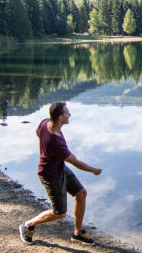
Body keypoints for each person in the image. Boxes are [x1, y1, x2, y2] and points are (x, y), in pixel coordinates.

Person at [19, 101, 102, 245]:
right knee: (59, 213)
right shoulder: (55, 142)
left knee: (81, 193)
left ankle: (77, 233)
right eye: (67, 112)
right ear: (60, 118)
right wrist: (93, 170)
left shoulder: (45, 123)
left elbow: (38, 132)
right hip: (51, 176)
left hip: (59, 167)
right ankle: (28, 225)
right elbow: (75, 162)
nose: (69, 114)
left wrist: (46, 151)